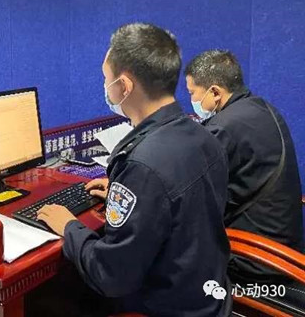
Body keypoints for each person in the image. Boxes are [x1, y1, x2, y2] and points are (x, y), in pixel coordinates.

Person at [35, 23, 232, 316]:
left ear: (124, 86)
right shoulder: (204, 136)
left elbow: (110, 274)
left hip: (167, 307)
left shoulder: (142, 165)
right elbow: (176, 208)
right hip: (207, 296)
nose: (105, 87)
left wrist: (69, 226)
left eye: (106, 79)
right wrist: (125, 193)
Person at [185, 50, 303, 284]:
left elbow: (189, 190)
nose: (192, 99)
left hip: (255, 259)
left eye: (192, 93)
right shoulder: (262, 108)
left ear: (215, 92)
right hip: (287, 246)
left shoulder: (223, 128)